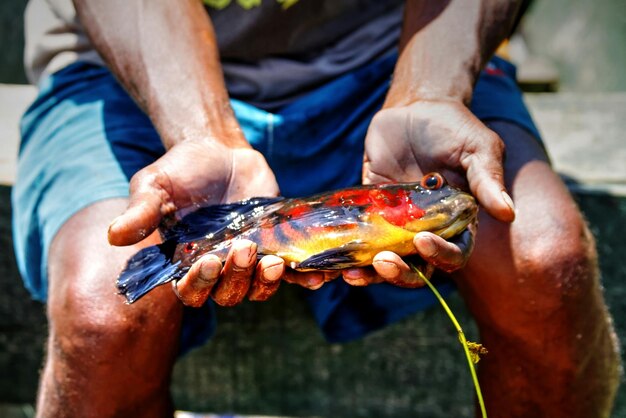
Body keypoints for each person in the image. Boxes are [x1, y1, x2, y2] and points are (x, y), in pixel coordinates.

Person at [13, 0, 620, 416]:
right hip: (122, 70)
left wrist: (429, 91)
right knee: (104, 312)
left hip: (392, 59)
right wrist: (202, 134)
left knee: (547, 260)